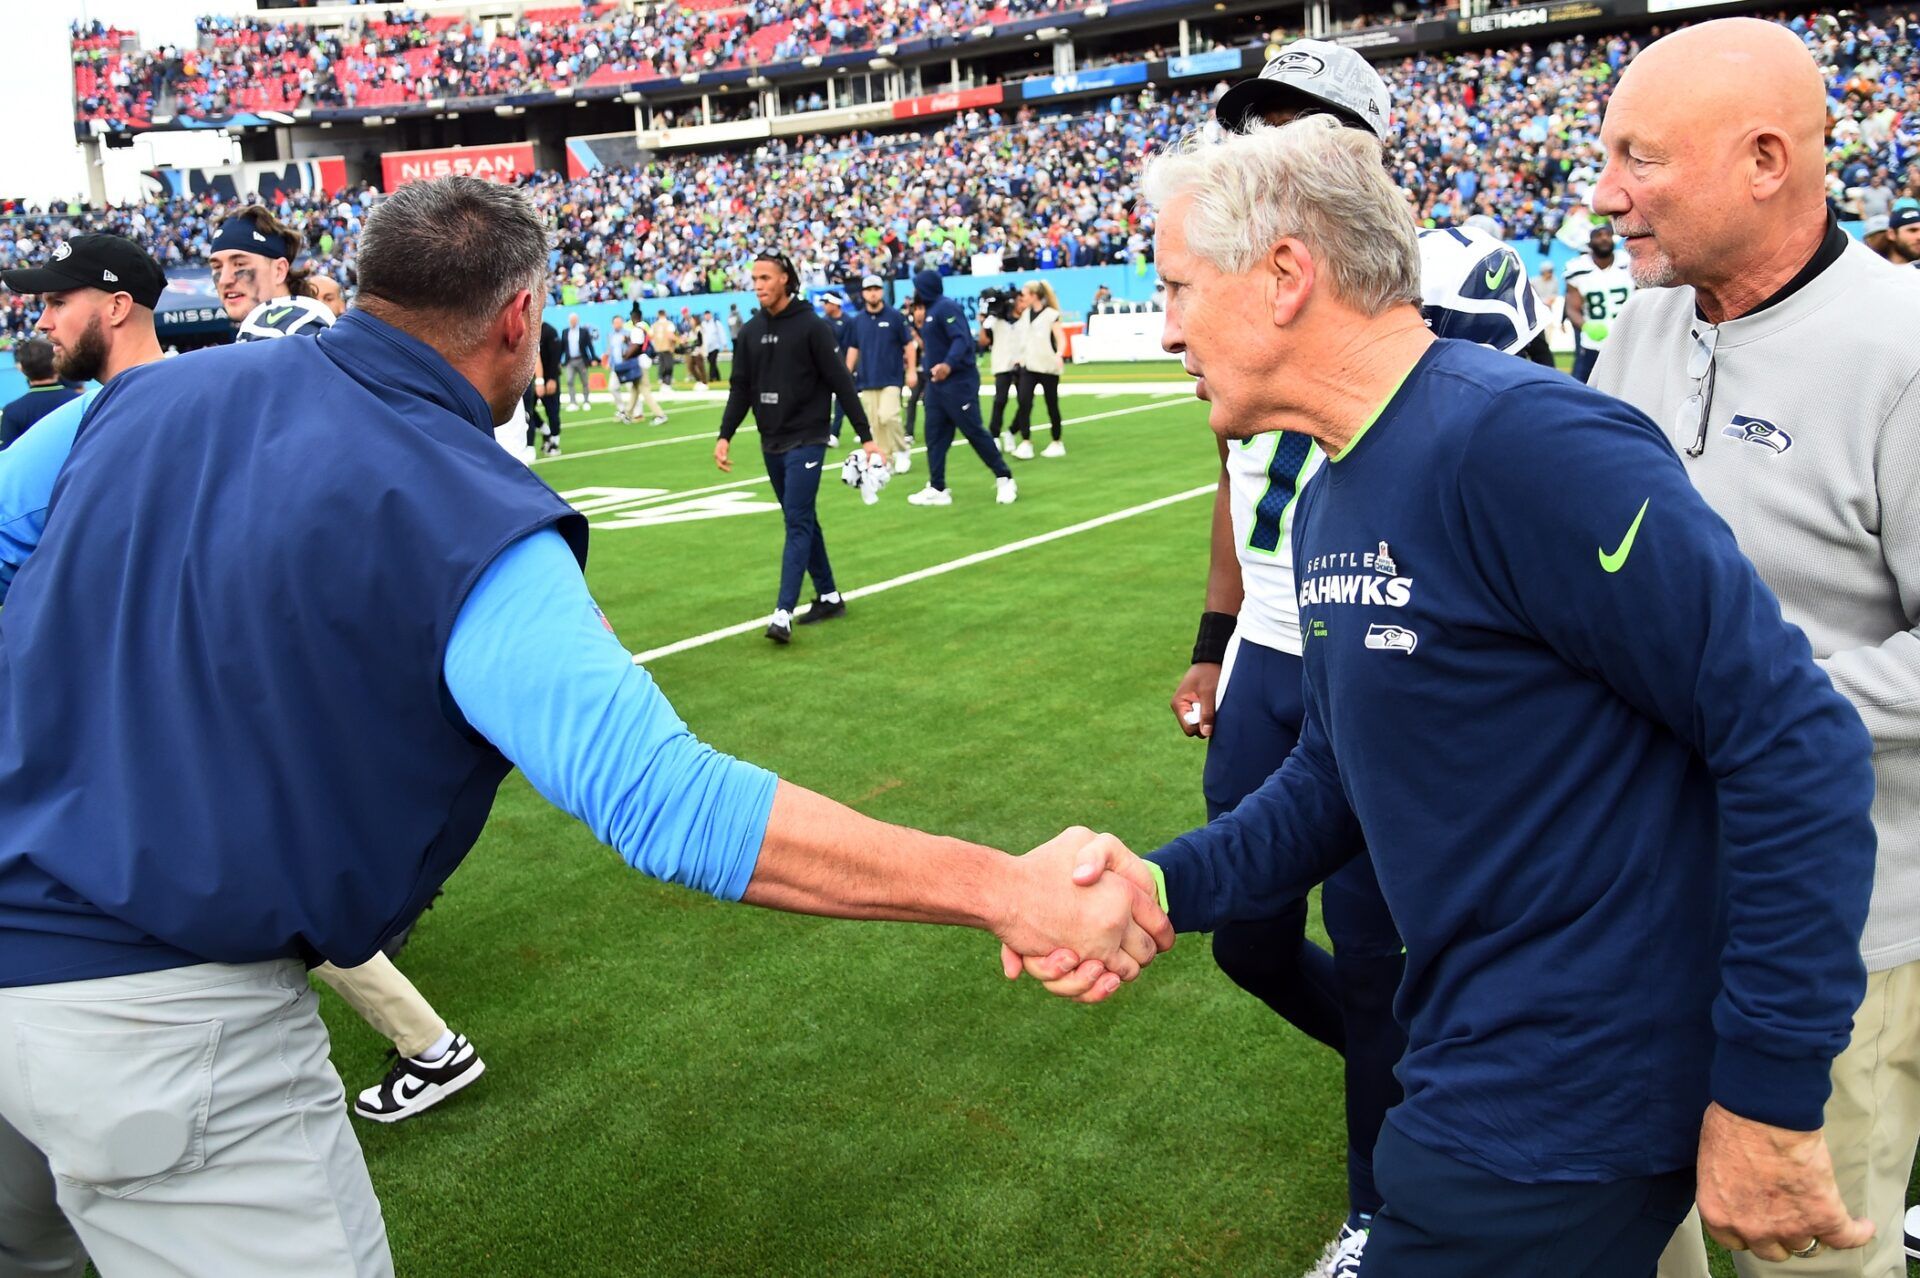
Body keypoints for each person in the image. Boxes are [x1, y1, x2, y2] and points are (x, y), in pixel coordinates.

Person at [0, 178, 1171, 1277]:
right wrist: (1004, 888)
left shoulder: (138, 400)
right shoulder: (463, 503)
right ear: (518, 317)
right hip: (160, 1004)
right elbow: (666, 803)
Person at [1017, 115, 1877, 1278]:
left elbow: (1791, 742)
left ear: (1284, 275)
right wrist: (1171, 881)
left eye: (1175, 287)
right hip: (1469, 1058)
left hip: (1570, 1093)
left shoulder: (1524, 443)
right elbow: (1334, 774)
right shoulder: (1331, 490)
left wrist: (1770, 1097)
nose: (1164, 328)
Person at [1187, 43, 1547, 1277]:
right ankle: (1424, 1084)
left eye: (1290, 123)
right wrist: (1212, 640)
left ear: (1366, 142)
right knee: (1247, 933)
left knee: (1384, 941)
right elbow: (1229, 480)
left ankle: (1376, 1204)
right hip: (1272, 658)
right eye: (1251, 126)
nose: (1262, 147)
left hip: (1385, 640)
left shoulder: (1458, 270)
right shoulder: (1236, 279)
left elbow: (1509, 451)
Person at [1582, 19, 1920, 1278]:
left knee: (1811, 1260)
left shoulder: (1905, 347)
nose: (1607, 192)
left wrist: (1750, 702)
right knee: (1626, 1236)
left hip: (1837, 930)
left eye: (1641, 160)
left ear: (1768, 158)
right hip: (1637, 913)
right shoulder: (1644, 329)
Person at [717, 252, 883, 644]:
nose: (758, 284)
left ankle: (782, 612)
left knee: (797, 520)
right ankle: (828, 595)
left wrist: (866, 436)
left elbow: (842, 382)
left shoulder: (813, 326)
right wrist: (725, 435)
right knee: (801, 517)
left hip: (807, 438)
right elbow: (740, 388)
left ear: (786, 280)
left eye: (765, 278)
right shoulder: (751, 332)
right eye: (754, 278)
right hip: (770, 439)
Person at [904, 271, 1017, 508]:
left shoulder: (946, 308)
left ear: (925, 288)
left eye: (917, 287)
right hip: (936, 385)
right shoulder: (931, 312)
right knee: (934, 436)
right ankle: (937, 487)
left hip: (958, 382)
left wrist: (948, 364)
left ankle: (1004, 477)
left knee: (974, 431)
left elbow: (961, 339)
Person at [208, 205, 335, 340]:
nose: (224, 280)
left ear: (279, 270)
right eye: (217, 267)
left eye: (240, 264)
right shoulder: (260, 331)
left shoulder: (300, 326)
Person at [844, 273, 916, 475]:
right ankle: (886, 459)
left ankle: (902, 450)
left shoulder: (894, 316)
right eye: (869, 290)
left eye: (876, 289)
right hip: (867, 378)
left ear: (881, 291)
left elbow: (908, 345)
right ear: (863, 293)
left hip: (891, 377)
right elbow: (853, 348)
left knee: (889, 416)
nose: (873, 294)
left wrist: (911, 370)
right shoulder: (857, 321)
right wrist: (845, 374)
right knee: (875, 423)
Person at [1563, 223, 1634, 383]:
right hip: (1593, 343)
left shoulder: (1628, 262)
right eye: (1598, 235)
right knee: (1586, 388)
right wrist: (1586, 326)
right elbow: (1572, 308)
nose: (1604, 238)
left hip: (1627, 338)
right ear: (1590, 241)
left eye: (1607, 234)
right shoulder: (1578, 268)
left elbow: (1644, 296)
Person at [1009, 279, 1067, 459]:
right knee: (1024, 402)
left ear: (1034, 295)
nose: (1022, 298)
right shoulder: (1025, 314)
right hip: (1029, 365)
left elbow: (1060, 337)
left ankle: (1057, 441)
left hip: (1048, 366)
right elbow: (1024, 339)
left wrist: (1059, 354)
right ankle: (1026, 442)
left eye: (1025, 294)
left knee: (1052, 404)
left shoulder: (1051, 314)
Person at [0, 338, 80, 449]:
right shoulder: (81, 402)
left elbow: (5, 454)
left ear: (21, 369)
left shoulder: (12, 411)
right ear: (57, 364)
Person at [983, 288, 1025, 453]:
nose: (1022, 304)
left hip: (1023, 363)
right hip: (1002, 364)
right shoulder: (996, 320)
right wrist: (985, 319)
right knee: (1000, 400)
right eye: (1019, 301)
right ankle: (994, 434)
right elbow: (983, 340)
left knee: (1025, 401)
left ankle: (1012, 431)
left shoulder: (1025, 319)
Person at [607, 314, 666, 426]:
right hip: (639, 362)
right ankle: (628, 414)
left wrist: (626, 355)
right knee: (635, 389)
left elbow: (636, 347)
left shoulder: (637, 330)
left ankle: (660, 415)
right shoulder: (640, 329)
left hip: (639, 363)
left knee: (644, 389)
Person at [523, 317, 563, 456]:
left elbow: (555, 357)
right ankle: (545, 430)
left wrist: (552, 378)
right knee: (528, 411)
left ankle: (555, 441)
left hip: (548, 377)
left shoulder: (549, 331)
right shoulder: (529, 330)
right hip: (534, 379)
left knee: (552, 411)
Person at [820, 292, 851, 444]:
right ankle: (827, 433)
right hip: (827, 367)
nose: (824, 306)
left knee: (844, 400)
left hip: (845, 366)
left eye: (826, 303)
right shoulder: (822, 322)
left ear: (835, 304)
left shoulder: (848, 321)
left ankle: (834, 433)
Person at [560, 312, 597, 411]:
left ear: (577, 321)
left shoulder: (583, 331)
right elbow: (562, 347)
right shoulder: (565, 332)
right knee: (569, 381)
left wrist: (593, 358)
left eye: (574, 320)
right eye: (571, 320)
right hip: (570, 361)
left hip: (581, 359)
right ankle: (573, 402)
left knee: (584, 381)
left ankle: (586, 401)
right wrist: (559, 360)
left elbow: (590, 346)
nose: (573, 322)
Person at [650, 309, 679, 389]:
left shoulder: (654, 325)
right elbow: (670, 335)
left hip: (658, 348)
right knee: (669, 365)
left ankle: (662, 380)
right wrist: (679, 340)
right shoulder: (669, 324)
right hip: (667, 347)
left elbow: (651, 336)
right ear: (665, 314)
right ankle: (667, 382)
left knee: (662, 365)